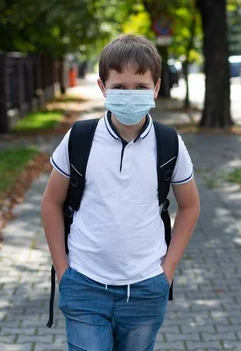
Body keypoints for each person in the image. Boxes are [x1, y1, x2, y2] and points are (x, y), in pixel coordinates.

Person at [41, 34, 201, 351]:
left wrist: (165, 273)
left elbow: (190, 206)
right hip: (84, 285)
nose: (130, 95)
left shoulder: (169, 143)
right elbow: (50, 203)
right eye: (119, 87)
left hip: (145, 290)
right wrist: (64, 273)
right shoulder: (79, 138)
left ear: (156, 88)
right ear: (103, 88)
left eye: (140, 87)